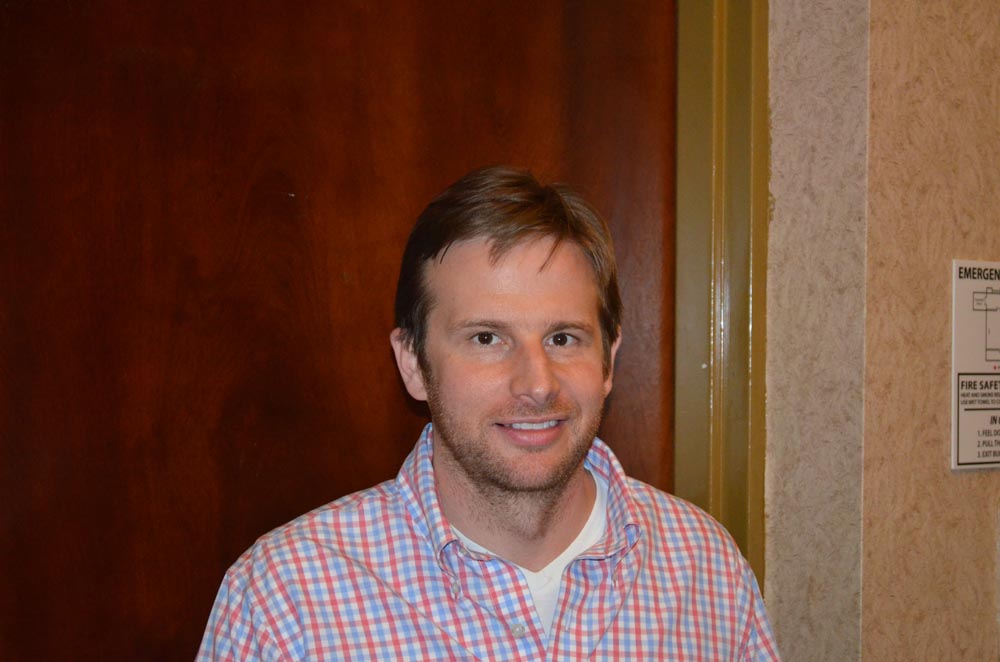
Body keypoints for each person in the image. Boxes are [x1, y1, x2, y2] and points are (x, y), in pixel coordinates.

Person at [197, 166, 779, 660]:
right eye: (486, 339)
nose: (537, 385)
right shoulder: (284, 603)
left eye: (563, 338)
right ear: (413, 363)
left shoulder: (707, 568)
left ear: (608, 360)